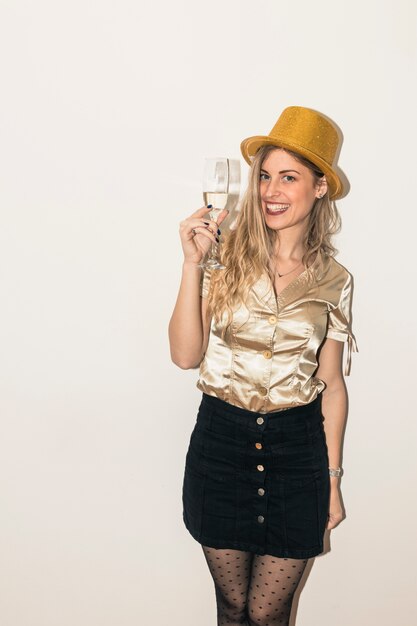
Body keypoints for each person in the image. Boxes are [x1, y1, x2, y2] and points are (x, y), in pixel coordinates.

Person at [168, 106, 357, 626]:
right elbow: (185, 355)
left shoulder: (335, 280)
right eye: (265, 176)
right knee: (233, 609)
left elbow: (333, 385)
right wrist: (191, 265)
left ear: (320, 188)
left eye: (289, 177)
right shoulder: (221, 256)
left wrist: (334, 480)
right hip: (221, 445)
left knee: (269, 614)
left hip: (298, 454)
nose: (271, 190)